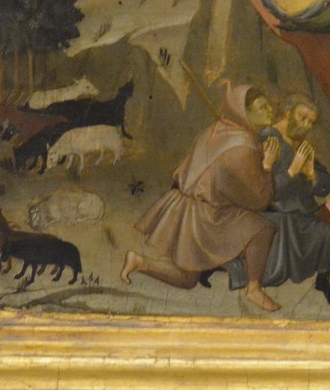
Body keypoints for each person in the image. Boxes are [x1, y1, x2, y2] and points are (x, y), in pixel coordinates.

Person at [120, 84, 283, 312]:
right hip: (205, 215)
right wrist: (267, 165)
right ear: (245, 113)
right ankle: (254, 288)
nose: (270, 110)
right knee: (262, 228)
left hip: (185, 205)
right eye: (262, 107)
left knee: (187, 280)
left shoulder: (220, 130)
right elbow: (259, 200)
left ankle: (139, 261)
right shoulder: (242, 146)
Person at [220, 93, 330, 305]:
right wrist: (293, 171)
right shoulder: (269, 138)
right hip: (274, 212)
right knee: (286, 228)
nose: (306, 125)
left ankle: (322, 282)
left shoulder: (299, 142)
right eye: (302, 118)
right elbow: (263, 190)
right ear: (288, 114)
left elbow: (327, 184)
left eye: (311, 122)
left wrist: (311, 174)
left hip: (300, 213)